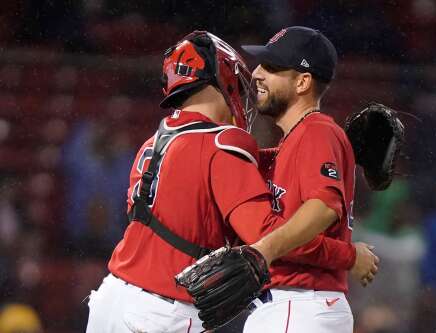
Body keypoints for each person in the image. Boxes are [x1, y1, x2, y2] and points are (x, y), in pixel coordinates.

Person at [85, 30, 377, 333]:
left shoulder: (155, 143)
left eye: (271, 67)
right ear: (225, 81)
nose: (256, 77)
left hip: (112, 298)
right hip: (161, 312)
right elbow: (261, 237)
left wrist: (340, 155)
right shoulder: (225, 143)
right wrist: (349, 254)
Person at [238, 26, 378, 332]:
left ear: (302, 81)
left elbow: (324, 208)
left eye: (272, 67)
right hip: (297, 306)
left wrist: (265, 248)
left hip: (299, 304)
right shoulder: (296, 140)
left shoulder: (317, 131)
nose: (258, 73)